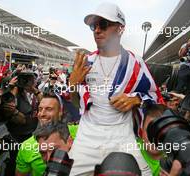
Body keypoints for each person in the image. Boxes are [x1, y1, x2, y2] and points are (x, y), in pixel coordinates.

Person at [68, 2, 163, 176]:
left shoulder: (135, 63)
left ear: (120, 29)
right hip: (86, 140)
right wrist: (72, 84)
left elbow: (155, 97)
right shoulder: (85, 62)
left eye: (103, 24)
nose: (97, 30)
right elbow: (76, 103)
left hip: (123, 138)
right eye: (93, 26)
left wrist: (136, 99)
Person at [15, 93, 77, 176]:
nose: (42, 114)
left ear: (60, 112)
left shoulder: (80, 131)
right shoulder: (26, 147)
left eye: (49, 109)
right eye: (40, 109)